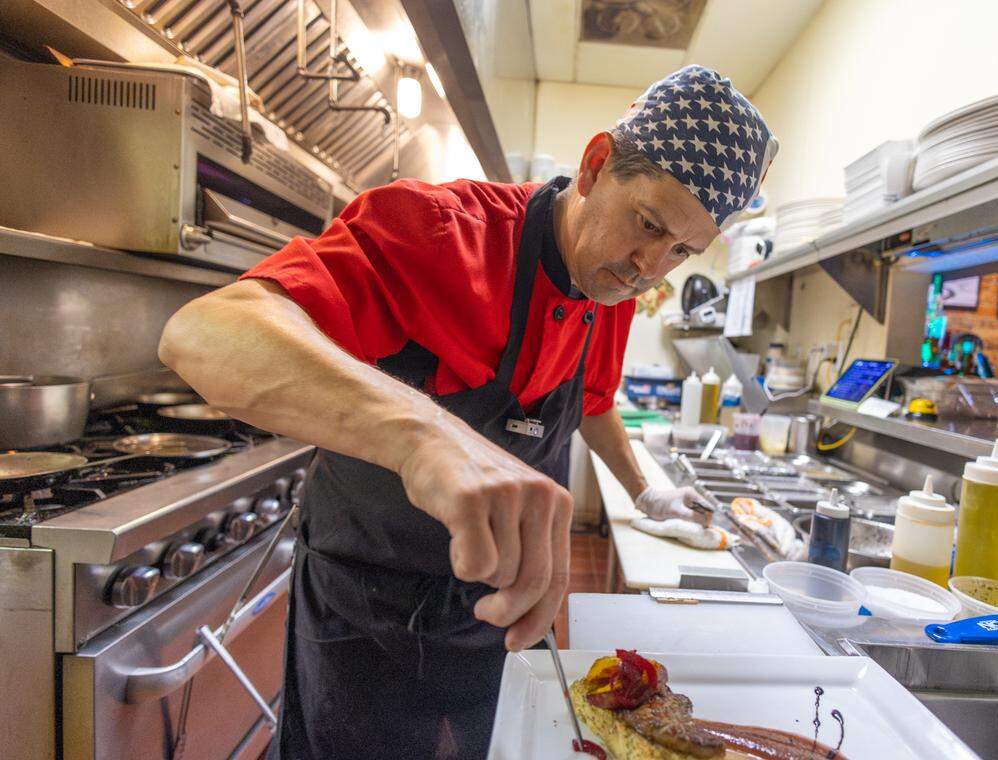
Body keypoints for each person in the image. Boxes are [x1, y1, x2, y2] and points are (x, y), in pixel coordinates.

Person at [159, 64, 776, 759]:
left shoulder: (612, 289)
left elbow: (593, 402)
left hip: (498, 613)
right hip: (367, 606)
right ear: (597, 165)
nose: (648, 266)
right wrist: (425, 436)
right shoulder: (438, 234)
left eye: (682, 251)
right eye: (648, 224)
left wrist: (648, 490)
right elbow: (203, 332)